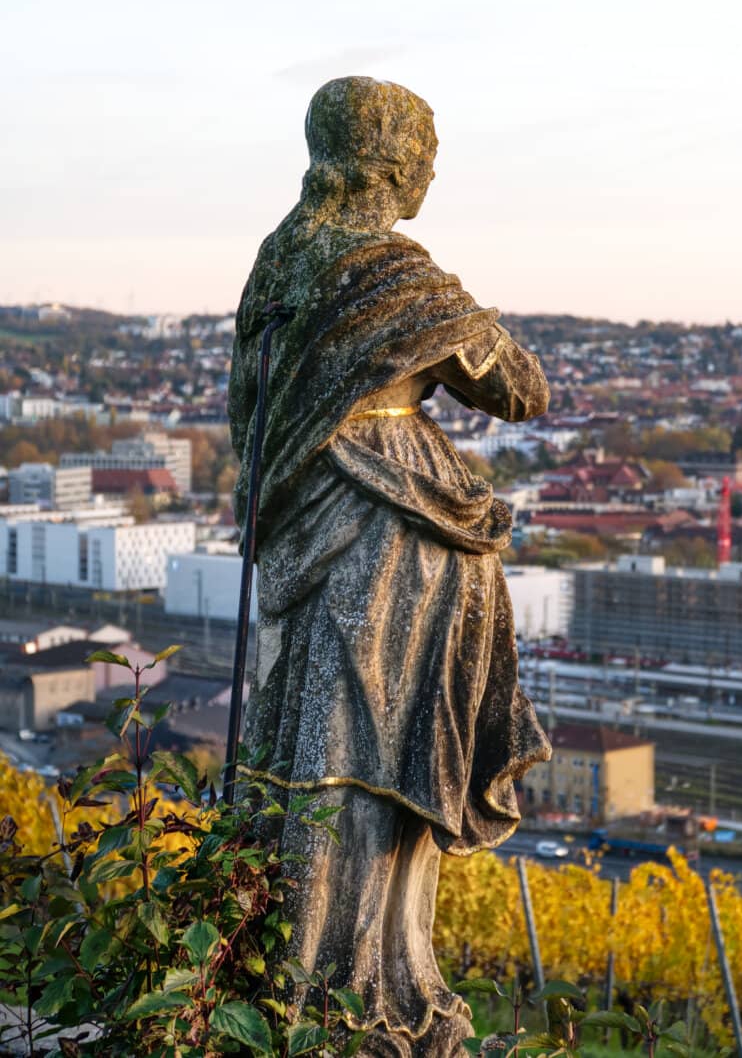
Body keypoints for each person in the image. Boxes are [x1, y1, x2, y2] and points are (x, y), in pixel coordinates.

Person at [228, 77, 551, 1056]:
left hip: (306, 527)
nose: (431, 179)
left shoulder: (278, 259)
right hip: (395, 537)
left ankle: (277, 975)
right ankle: (367, 992)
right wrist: (449, 327)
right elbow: (521, 389)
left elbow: (251, 416)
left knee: (308, 750)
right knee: (377, 754)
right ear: (394, 164)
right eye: (427, 161)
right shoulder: (397, 278)